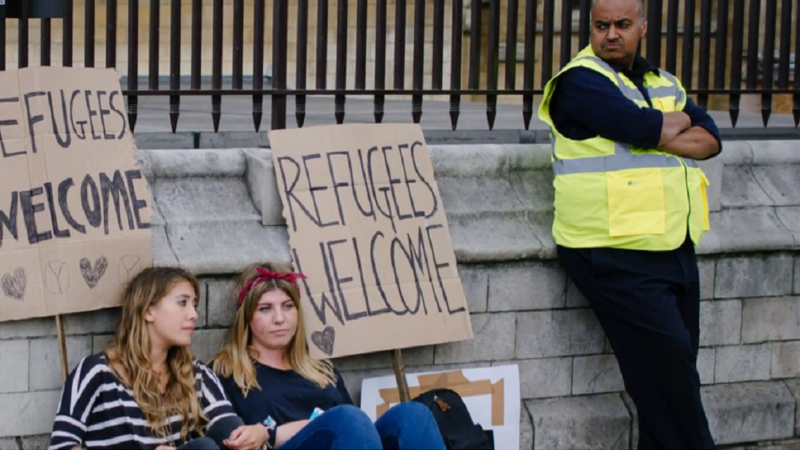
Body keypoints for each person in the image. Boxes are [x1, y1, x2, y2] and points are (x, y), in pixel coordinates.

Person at [537, 0, 720, 448]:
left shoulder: (663, 81)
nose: (611, 34)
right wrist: (665, 127)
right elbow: (640, 128)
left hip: (672, 247)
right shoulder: (579, 81)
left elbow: (711, 138)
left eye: (622, 24)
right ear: (591, 28)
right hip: (611, 252)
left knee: (671, 384)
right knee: (672, 384)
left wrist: (657, 130)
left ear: (642, 25)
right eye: (601, 26)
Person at [209, 262, 446, 450]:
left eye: (288, 306)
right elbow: (228, 439)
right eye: (265, 308)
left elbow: (358, 432)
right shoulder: (225, 372)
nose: (280, 318)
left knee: (413, 415)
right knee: (346, 419)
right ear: (247, 318)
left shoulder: (320, 368)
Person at [47, 267, 269, 450]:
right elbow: (61, 446)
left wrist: (255, 434)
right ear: (148, 311)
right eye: (182, 302)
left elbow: (224, 422)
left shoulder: (196, 373)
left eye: (194, 305)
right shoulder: (96, 372)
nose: (193, 314)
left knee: (218, 438)